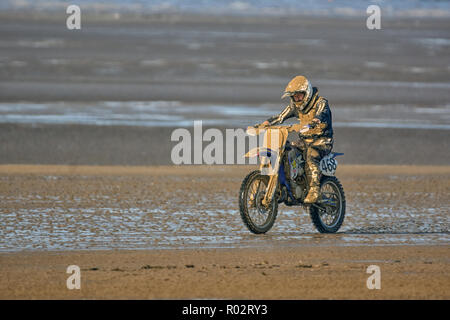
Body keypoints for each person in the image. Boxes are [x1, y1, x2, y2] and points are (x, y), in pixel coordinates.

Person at [259, 75, 333, 204]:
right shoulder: (295, 106)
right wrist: (266, 122)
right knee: (287, 150)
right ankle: (290, 184)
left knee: (311, 156)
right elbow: (281, 116)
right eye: (294, 96)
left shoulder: (320, 102)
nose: (297, 98)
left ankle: (314, 190)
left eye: (299, 95)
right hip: (305, 141)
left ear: (307, 93)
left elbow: (322, 113)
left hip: (322, 141)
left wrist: (316, 120)